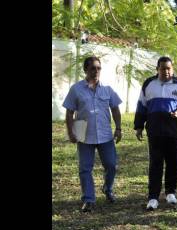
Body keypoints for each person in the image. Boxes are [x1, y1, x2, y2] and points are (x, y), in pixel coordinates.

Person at [134, 56, 177, 210]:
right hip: (154, 131)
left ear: (172, 69)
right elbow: (142, 105)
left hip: (173, 132)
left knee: (173, 162)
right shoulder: (149, 84)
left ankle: (170, 192)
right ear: (157, 69)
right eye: (163, 68)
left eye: (169, 68)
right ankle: (153, 197)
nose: (166, 71)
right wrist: (139, 125)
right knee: (155, 164)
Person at [63, 56, 123, 212]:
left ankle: (107, 188)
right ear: (85, 70)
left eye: (98, 68)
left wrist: (118, 128)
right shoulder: (76, 89)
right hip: (84, 135)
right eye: (92, 68)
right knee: (85, 168)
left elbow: (115, 109)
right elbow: (69, 113)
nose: (96, 71)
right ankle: (88, 199)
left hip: (105, 135)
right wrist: (70, 132)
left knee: (111, 165)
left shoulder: (107, 89)